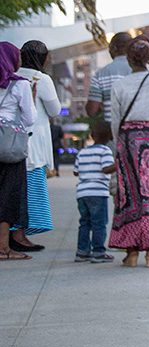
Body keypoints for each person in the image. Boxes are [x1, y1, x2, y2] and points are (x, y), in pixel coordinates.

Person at [108, 36, 149, 267]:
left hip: (126, 143)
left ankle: (131, 251)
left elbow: (115, 121)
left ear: (128, 58)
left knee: (129, 196)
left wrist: (119, 147)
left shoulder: (120, 85)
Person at [10, 40, 62, 251]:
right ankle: (20, 235)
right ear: (42, 58)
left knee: (12, 189)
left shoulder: (9, 76)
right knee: (31, 190)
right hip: (33, 143)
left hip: (11, 141)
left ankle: (12, 234)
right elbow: (55, 110)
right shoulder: (40, 79)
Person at [0, 42, 36, 261]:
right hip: (9, 147)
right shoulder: (20, 85)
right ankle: (4, 247)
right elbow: (30, 119)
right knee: (8, 196)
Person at [74, 122, 116, 263]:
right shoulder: (105, 151)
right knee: (99, 223)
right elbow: (106, 169)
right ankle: (98, 252)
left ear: (92, 135)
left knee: (85, 222)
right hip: (98, 192)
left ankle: (82, 251)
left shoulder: (83, 151)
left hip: (82, 193)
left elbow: (76, 171)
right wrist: (118, 164)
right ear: (110, 136)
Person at [86, 32, 133, 122]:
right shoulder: (146, 71)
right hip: (142, 132)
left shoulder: (100, 74)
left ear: (114, 48)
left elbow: (91, 111)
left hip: (114, 131)